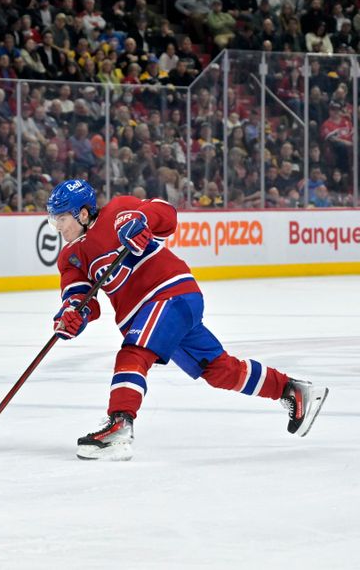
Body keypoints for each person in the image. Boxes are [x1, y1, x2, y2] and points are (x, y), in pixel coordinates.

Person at [46, 179, 329, 461]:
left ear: (83, 214)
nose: (57, 226)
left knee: (134, 353)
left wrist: (141, 218)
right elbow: (79, 298)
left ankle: (119, 425)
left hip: (169, 293)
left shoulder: (119, 210)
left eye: (61, 218)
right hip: (159, 312)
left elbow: (167, 214)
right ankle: (292, 390)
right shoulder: (71, 257)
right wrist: (72, 317)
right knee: (219, 370)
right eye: (53, 219)